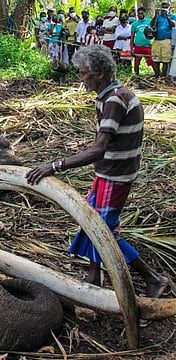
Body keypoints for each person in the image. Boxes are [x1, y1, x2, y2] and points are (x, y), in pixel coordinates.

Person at [25, 44, 169, 299]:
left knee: (104, 233)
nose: (81, 79)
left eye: (83, 73)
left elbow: (99, 149)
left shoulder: (114, 100)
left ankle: (153, 278)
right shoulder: (111, 95)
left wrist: (55, 166)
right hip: (109, 173)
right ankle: (94, 278)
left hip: (116, 175)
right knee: (92, 222)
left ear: (99, 73)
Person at [150, 2, 176, 77]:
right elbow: (151, 24)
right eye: (163, 7)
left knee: (165, 60)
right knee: (156, 59)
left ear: (169, 8)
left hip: (166, 40)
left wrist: (167, 16)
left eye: (166, 7)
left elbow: (173, 24)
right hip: (157, 40)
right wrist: (155, 15)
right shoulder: (158, 16)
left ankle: (163, 76)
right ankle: (157, 75)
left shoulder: (172, 16)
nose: (164, 9)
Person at [130, 6, 157, 75]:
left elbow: (154, 30)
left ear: (144, 13)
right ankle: (136, 76)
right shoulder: (134, 24)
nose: (140, 15)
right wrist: (131, 48)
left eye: (142, 13)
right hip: (138, 46)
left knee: (151, 61)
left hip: (147, 45)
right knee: (136, 63)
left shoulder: (149, 21)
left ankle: (157, 75)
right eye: (139, 14)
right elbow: (132, 37)